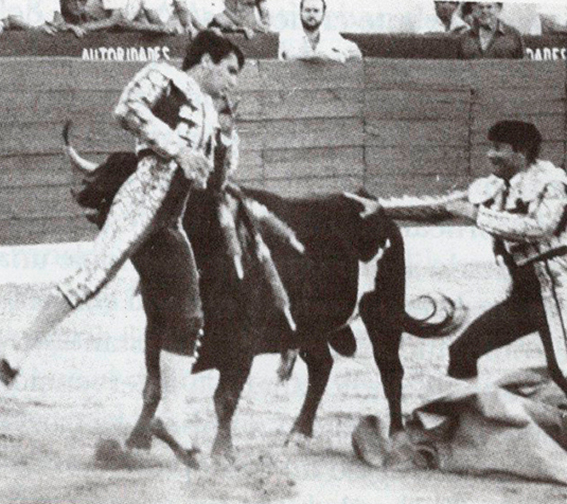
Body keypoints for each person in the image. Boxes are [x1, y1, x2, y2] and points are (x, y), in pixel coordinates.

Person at [0, 30, 245, 462]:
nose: (233, 81)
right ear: (206, 60)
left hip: (170, 220)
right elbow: (127, 109)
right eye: (229, 70)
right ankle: (15, 349)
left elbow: (213, 180)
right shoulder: (163, 75)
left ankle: (172, 417)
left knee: (188, 313)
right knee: (93, 276)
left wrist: (223, 144)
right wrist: (179, 149)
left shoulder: (211, 112)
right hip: (141, 198)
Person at [445, 120, 567, 396]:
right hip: (526, 296)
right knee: (463, 351)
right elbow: (441, 208)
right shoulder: (497, 186)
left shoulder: (553, 183)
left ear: (520, 151)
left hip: (560, 292)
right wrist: (379, 208)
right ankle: (466, 416)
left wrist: (478, 215)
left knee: (563, 371)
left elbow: (540, 227)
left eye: (498, 147)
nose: (490, 154)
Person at [278, 0, 362, 63]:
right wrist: (325, 56)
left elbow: (356, 54)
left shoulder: (331, 36)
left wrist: (331, 56)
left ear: (323, 14)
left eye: (316, 11)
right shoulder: (289, 35)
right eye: (307, 10)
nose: (311, 15)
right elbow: (290, 55)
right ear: (301, 12)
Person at [457, 2, 524, 59]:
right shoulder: (465, 38)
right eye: (480, 7)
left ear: (499, 9)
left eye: (489, 7)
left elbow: (524, 65)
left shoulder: (513, 35)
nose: (484, 11)